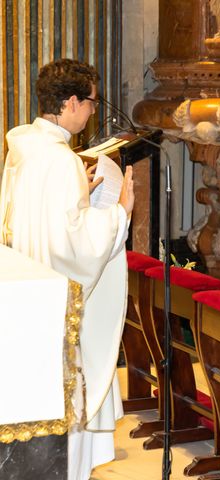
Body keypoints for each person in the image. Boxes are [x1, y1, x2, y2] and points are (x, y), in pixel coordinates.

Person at [0, 59, 134, 479]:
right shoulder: (60, 160)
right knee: (62, 403)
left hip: (23, 296)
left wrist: (81, 190)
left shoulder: (22, 150)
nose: (93, 111)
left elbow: (28, 218)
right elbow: (74, 244)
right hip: (55, 306)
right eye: (91, 102)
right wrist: (120, 211)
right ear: (72, 102)